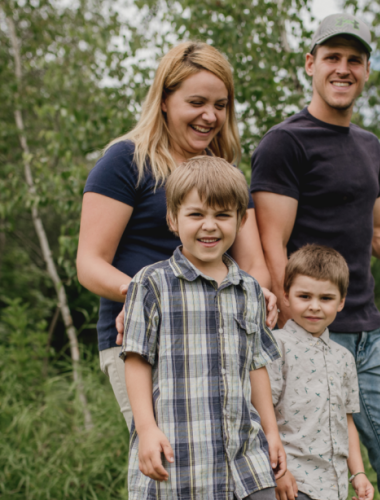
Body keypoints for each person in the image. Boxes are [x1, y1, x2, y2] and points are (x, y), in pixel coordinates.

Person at [250, 13, 380, 499]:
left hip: (370, 332)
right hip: (309, 330)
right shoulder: (285, 143)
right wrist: (292, 332)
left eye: (355, 60)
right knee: (312, 463)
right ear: (311, 64)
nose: (343, 69)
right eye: (332, 58)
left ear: (367, 70)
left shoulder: (370, 146)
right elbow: (271, 247)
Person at [76, 41, 276, 429]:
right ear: (165, 100)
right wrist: (148, 296)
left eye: (220, 106)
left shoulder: (224, 173)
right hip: (144, 343)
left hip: (217, 337)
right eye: (197, 102)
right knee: (173, 459)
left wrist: (252, 295)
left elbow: (254, 265)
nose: (210, 116)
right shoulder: (126, 161)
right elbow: (89, 264)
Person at [121, 156, 285, 500]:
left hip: (244, 459)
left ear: (240, 221)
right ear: (172, 218)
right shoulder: (151, 284)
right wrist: (146, 429)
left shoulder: (250, 290)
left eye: (222, 215)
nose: (209, 226)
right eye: (196, 214)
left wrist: (272, 432)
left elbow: (256, 367)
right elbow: (136, 360)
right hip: (181, 457)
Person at [266, 245, 374, 500]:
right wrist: (278, 473)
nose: (314, 306)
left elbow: (346, 419)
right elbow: (261, 413)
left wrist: (357, 472)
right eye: (304, 296)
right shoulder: (275, 346)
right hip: (293, 482)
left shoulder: (344, 358)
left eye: (325, 298)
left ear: (341, 302)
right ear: (286, 294)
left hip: (333, 485)